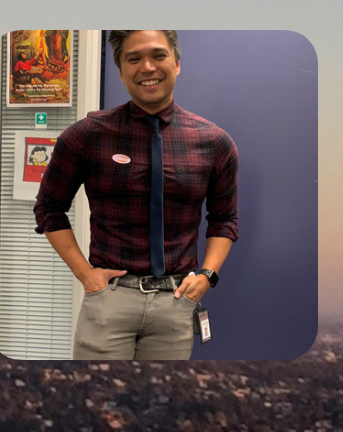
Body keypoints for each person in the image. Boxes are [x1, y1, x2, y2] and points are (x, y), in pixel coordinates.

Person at [33, 30, 239, 359]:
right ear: (120, 71)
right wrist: (85, 275)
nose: (147, 67)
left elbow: (224, 219)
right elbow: (48, 208)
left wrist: (207, 276)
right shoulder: (86, 136)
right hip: (110, 300)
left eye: (158, 55)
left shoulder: (214, 142)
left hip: (176, 303)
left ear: (177, 63)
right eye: (134, 59)